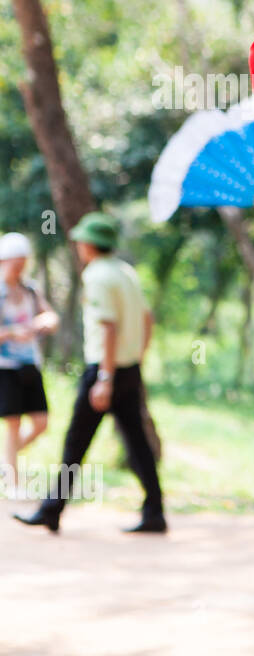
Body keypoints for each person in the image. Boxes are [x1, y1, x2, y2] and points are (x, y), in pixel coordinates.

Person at [14, 213, 163, 534]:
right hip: (128, 367)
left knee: (76, 442)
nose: (78, 245)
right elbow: (147, 319)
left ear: (90, 244)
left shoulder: (97, 275)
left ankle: (51, 510)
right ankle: (155, 511)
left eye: (81, 240)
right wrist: (136, 357)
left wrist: (105, 379)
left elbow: (108, 327)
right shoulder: (126, 272)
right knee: (137, 442)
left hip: (104, 371)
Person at [1, 232, 59, 492]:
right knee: (13, 423)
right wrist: (14, 333)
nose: (20, 268)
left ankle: (5, 464)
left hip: (29, 364)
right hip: (5, 367)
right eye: (16, 262)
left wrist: (42, 323)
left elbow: (51, 317)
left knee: (40, 423)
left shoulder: (30, 290)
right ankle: (12, 481)